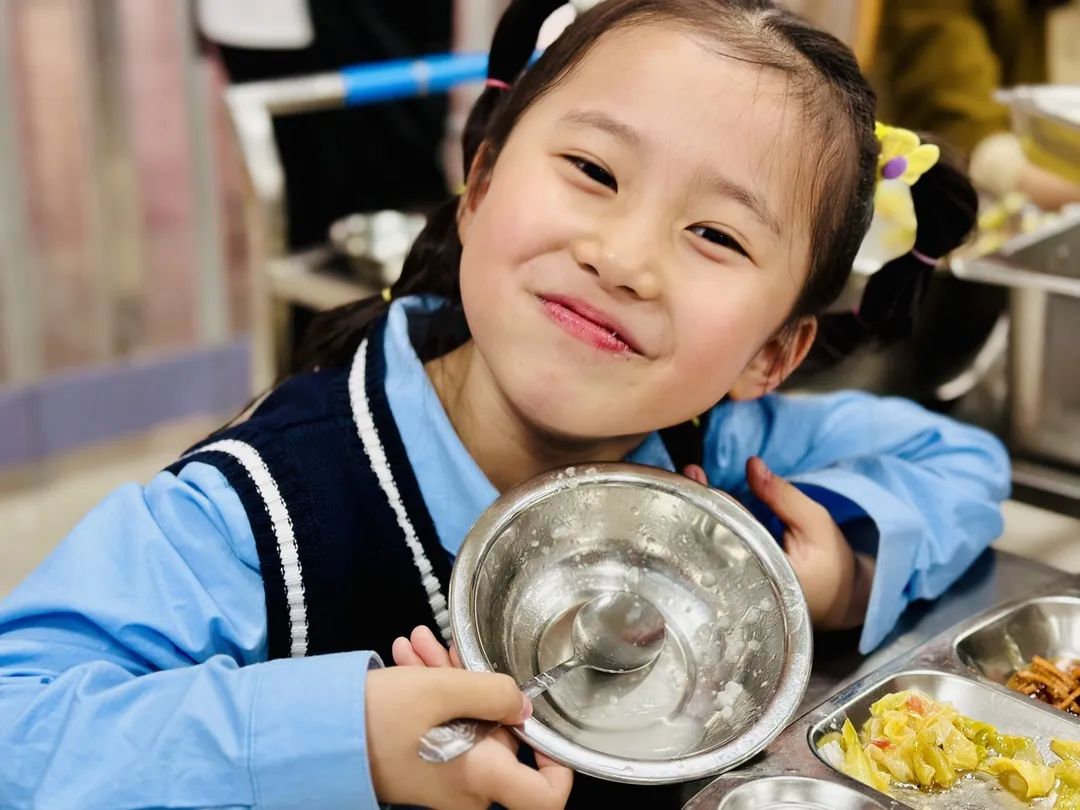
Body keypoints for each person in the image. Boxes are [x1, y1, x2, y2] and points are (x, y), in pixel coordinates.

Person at [0, 1, 1011, 807]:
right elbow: (19, 727)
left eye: (716, 236)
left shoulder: (723, 444)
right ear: (479, 185)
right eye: (592, 171)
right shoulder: (258, 512)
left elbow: (960, 464)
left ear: (773, 355)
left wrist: (843, 566)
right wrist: (340, 742)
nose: (623, 260)